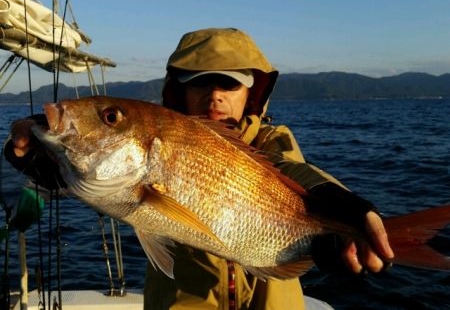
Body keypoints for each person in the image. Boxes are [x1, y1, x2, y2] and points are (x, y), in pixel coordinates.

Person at [5, 28, 394, 310]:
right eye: (201, 83)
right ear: (179, 90)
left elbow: (292, 169)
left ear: (252, 93)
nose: (215, 95)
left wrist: (337, 201)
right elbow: (74, 178)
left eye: (230, 84)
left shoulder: (273, 140)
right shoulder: (148, 146)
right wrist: (37, 148)